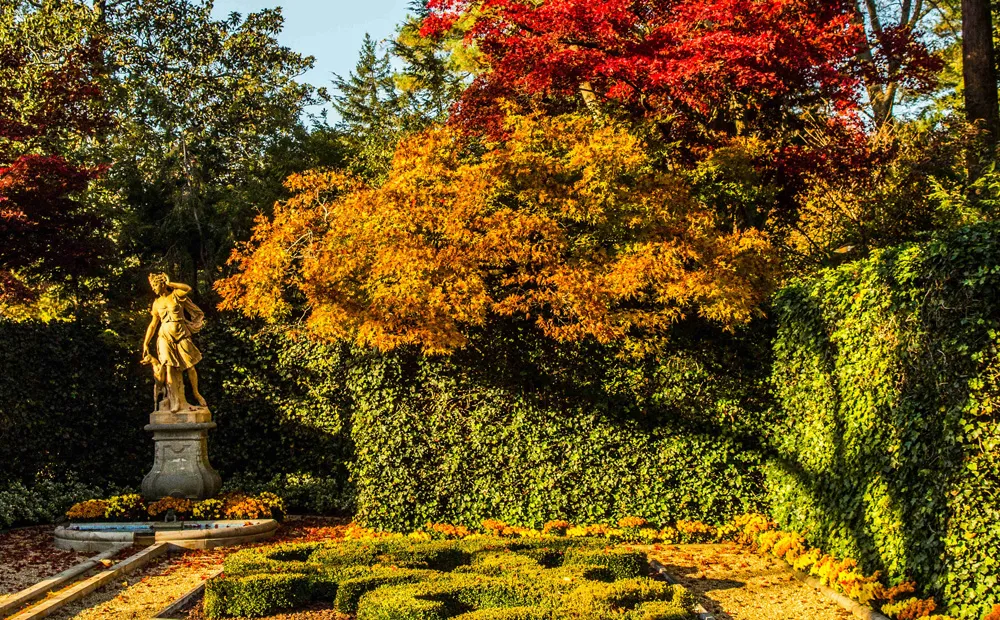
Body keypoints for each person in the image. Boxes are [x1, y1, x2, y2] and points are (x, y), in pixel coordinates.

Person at [142, 273, 207, 412]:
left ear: (162, 284)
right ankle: (175, 400)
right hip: (165, 335)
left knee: (190, 366)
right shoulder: (156, 303)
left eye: (155, 285)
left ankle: (196, 393)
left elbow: (187, 288)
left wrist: (170, 282)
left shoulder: (176, 295)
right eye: (152, 286)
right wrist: (146, 343)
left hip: (181, 333)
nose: (153, 288)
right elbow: (153, 324)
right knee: (169, 366)